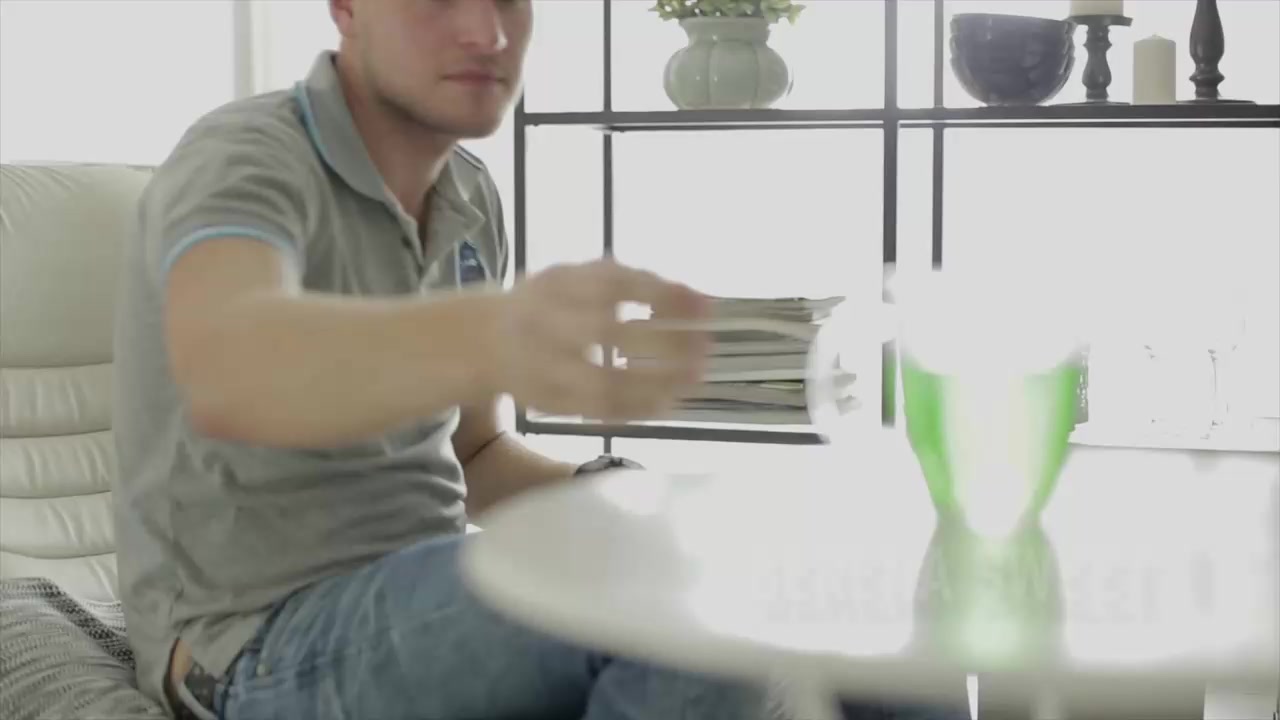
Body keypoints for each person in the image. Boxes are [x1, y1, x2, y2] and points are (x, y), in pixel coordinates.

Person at [112, 1, 968, 719]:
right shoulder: (243, 158)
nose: (487, 32)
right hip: (253, 641)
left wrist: (620, 490)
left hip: (426, 597)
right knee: (671, 603)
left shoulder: (466, 191)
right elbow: (228, 364)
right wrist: (490, 330)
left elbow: (477, 452)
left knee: (867, 577)